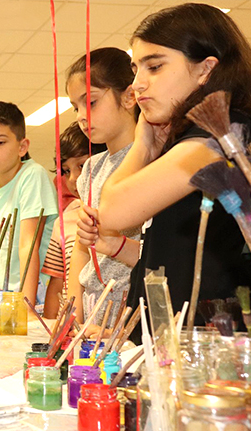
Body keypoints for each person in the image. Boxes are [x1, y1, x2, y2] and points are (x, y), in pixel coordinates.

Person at [85, 3, 251, 339]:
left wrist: (142, 146)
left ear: (205, 69)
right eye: (135, 69)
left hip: (206, 349)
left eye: (155, 67)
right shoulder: (191, 138)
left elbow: (114, 213)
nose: (137, 84)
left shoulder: (219, 137)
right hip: (172, 340)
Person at [64, 47, 141, 329]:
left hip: (130, 309)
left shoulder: (150, 163)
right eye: (75, 108)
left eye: (91, 103)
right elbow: (81, 250)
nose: (82, 116)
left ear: (129, 96)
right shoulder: (92, 169)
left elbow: (154, 253)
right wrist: (74, 316)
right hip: (92, 308)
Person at [0, 101, 58, 309]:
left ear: (22, 147)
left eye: (0, 142)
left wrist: (25, 307)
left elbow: (29, 245)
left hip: (30, 299)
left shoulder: (32, 176)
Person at [41, 122, 106, 318]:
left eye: (82, 165)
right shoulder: (65, 218)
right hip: (71, 326)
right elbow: (57, 284)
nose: (73, 179)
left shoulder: (122, 217)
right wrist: (53, 328)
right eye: (66, 170)